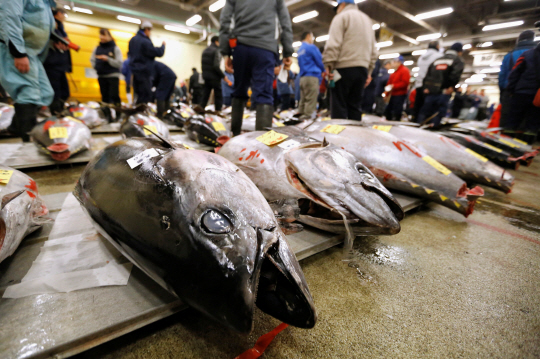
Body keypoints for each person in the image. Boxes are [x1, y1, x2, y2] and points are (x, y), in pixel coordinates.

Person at [220, 0, 294, 135]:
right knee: (264, 95)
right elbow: (285, 23)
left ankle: (234, 135)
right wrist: (288, 51)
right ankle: (261, 146)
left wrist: (226, 53)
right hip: (265, 49)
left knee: (239, 91)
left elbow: (226, 21)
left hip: (240, 47)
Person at [0, 0, 55, 141]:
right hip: (14, 49)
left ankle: (15, 128)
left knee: (45, 93)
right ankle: (29, 142)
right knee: (28, 93)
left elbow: (37, 23)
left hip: (32, 53)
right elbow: (9, 17)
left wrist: (54, 38)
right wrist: (18, 52)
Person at [323, 0, 377, 120]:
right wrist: (369, 71)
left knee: (339, 107)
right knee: (355, 107)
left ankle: (338, 139)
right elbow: (374, 50)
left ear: (342, 5)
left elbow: (333, 44)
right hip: (362, 69)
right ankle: (355, 137)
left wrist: (329, 66)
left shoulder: (341, 17)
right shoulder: (367, 20)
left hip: (343, 68)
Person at [417, 43, 465, 127]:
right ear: (460, 51)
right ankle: (432, 134)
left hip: (430, 92)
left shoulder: (438, 59)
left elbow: (428, 74)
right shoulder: (458, 60)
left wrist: (426, 87)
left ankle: (417, 131)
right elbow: (455, 75)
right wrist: (450, 86)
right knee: (438, 114)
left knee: (425, 113)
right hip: (444, 91)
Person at [498, 30, 536, 128]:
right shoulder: (536, 54)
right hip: (533, 93)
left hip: (510, 92)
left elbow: (502, 76)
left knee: (509, 121)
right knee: (529, 122)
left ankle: (505, 141)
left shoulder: (509, 55)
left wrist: (503, 92)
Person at [505, 43, 540, 144]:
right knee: (532, 125)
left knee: (512, 122)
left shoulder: (527, 54)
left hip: (521, 93)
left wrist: (511, 89)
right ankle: (525, 149)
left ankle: (506, 146)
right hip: (538, 96)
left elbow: (515, 72)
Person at [44, 8, 72, 115]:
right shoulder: (49, 24)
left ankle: (59, 111)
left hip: (61, 65)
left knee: (64, 92)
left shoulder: (60, 28)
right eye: (64, 14)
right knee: (55, 92)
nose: (64, 17)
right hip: (51, 64)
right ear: (59, 13)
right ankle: (55, 113)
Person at [128, 21, 165, 104]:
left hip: (135, 72)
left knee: (138, 95)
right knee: (145, 96)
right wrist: (163, 46)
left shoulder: (133, 40)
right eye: (150, 31)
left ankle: (136, 113)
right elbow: (157, 53)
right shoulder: (145, 41)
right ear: (146, 30)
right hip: (144, 73)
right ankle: (141, 115)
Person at [91, 29, 123, 105]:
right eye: (101, 35)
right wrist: (97, 67)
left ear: (110, 36)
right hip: (101, 76)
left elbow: (119, 63)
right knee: (105, 98)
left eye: (104, 35)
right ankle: (106, 114)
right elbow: (92, 60)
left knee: (114, 96)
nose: (102, 37)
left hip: (113, 77)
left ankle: (117, 114)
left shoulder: (115, 48)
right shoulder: (97, 48)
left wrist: (108, 59)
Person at [297, 32, 325, 119]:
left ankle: (300, 116)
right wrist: (324, 70)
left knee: (303, 99)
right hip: (312, 76)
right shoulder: (311, 47)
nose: (312, 39)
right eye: (312, 37)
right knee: (311, 100)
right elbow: (320, 60)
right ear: (308, 36)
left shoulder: (299, 50)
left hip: (302, 77)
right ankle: (308, 119)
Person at [413, 41, 443, 121]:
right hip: (430, 88)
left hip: (419, 85)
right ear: (437, 46)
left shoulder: (421, 57)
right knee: (427, 113)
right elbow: (437, 74)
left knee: (417, 109)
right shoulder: (439, 56)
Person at [201, 36, 231, 111]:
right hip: (214, 77)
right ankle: (218, 111)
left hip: (206, 76)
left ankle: (200, 110)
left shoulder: (205, 50)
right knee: (218, 95)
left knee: (205, 94)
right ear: (217, 41)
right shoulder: (216, 50)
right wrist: (223, 76)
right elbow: (216, 66)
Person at [384, 56, 411, 121]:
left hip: (400, 94)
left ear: (399, 62)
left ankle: (396, 122)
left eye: (394, 62)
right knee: (388, 111)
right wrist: (386, 93)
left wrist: (394, 86)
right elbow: (389, 83)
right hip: (392, 94)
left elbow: (405, 83)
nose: (393, 63)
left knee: (397, 110)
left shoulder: (404, 70)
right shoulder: (394, 72)